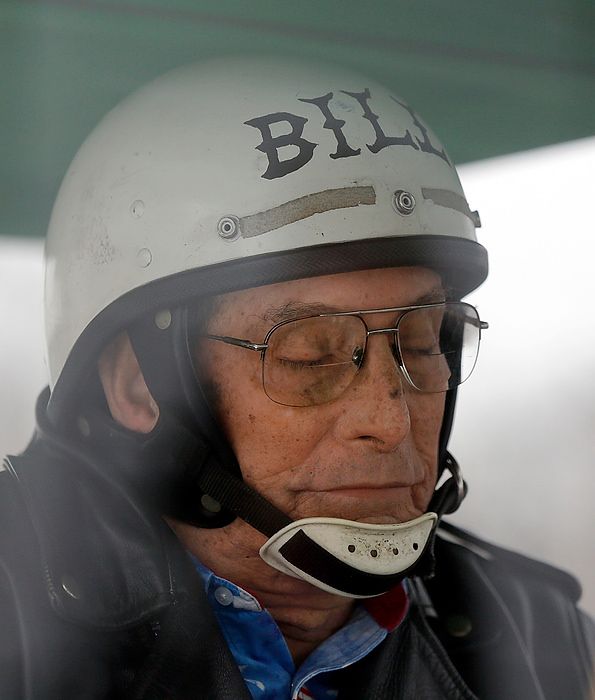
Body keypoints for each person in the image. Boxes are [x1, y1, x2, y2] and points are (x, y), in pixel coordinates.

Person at [1, 55, 593, 700]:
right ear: (142, 385)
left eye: (421, 344)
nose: (389, 421)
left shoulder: (546, 648)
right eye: (311, 355)